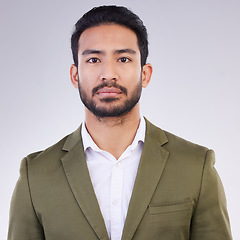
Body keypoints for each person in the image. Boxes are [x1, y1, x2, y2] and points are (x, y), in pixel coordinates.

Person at [8, 5, 232, 240]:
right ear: (75, 76)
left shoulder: (196, 167)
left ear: (145, 74)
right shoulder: (35, 175)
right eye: (94, 59)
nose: (108, 73)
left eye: (123, 58)